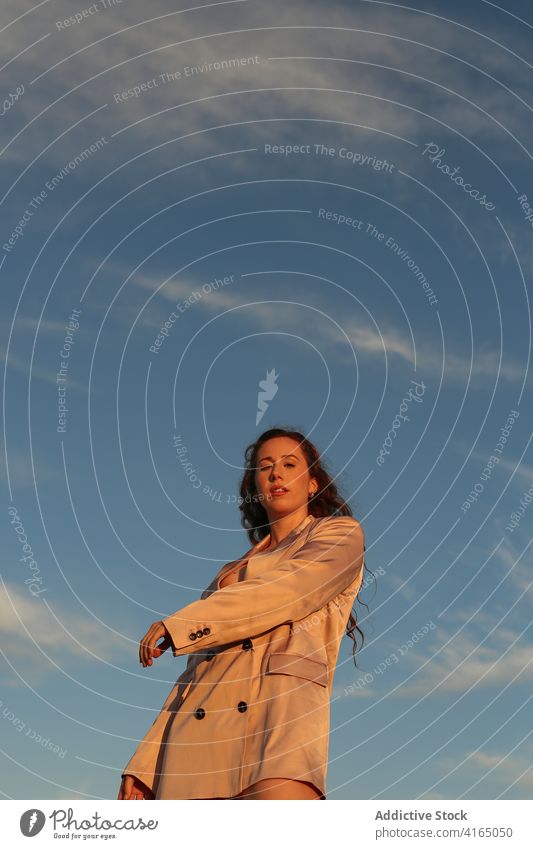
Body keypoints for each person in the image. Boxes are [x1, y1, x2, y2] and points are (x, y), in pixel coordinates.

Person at [118, 427, 367, 800]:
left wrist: (184, 623)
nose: (276, 473)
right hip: (193, 752)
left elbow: (285, 591)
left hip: (278, 735)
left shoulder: (339, 536)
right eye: (265, 467)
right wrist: (146, 764)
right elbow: (193, 677)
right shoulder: (228, 574)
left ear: (312, 483)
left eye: (289, 464)